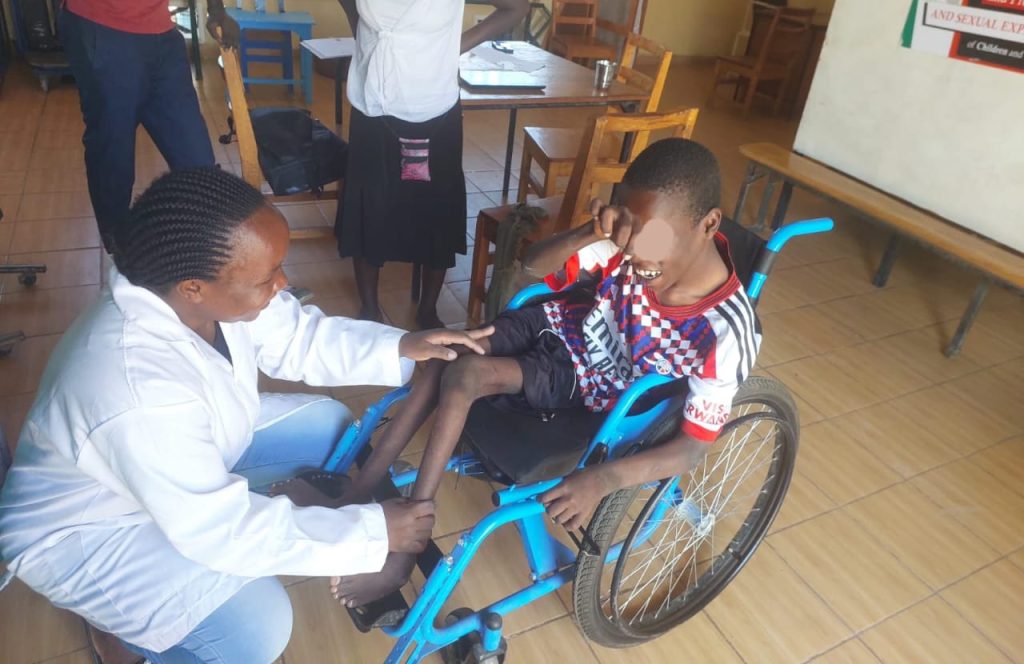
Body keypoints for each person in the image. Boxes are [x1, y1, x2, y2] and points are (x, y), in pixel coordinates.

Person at [0, 168, 493, 663]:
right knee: (258, 630)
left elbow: (298, 337)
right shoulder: (135, 390)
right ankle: (122, 634)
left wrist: (403, 345)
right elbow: (220, 529)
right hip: (90, 527)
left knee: (328, 426)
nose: (284, 283)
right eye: (267, 278)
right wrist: (370, 533)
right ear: (194, 287)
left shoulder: (189, 291)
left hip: (170, 465)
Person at [317, 138, 763, 608]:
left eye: (650, 237)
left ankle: (409, 540)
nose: (633, 248)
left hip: (588, 379)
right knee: (441, 354)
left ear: (708, 224)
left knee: (464, 375)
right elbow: (533, 267)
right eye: (627, 227)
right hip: (559, 322)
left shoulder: (725, 332)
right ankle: (359, 493)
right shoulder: (630, 244)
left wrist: (604, 479)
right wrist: (591, 231)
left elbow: (692, 447)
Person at [334, 0, 529, 328]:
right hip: (372, 106)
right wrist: (365, 35)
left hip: (434, 107)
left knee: (437, 208)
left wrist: (455, 46)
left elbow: (516, 7)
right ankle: (369, 308)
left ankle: (427, 309)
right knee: (370, 205)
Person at [58, 0, 242, 254]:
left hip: (161, 34)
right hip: (103, 27)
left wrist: (216, 9)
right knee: (114, 155)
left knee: (197, 161)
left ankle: (204, 254)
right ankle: (121, 254)